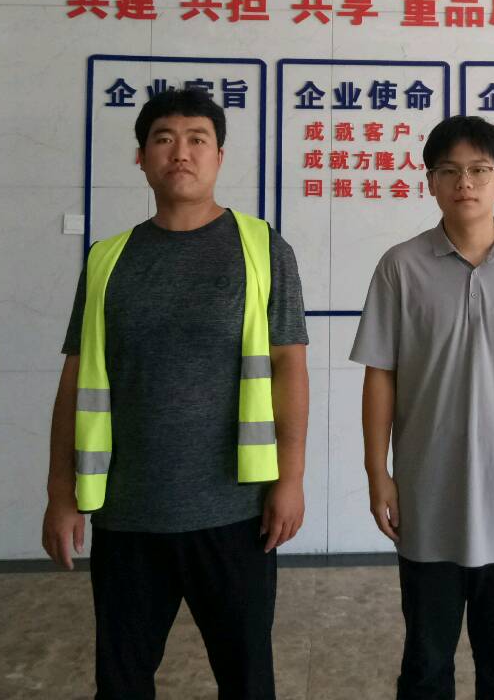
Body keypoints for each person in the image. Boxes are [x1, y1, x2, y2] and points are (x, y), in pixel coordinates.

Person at [40, 87, 310, 700]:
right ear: (141, 158)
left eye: (197, 140)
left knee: (247, 681)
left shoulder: (264, 249)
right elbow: (75, 380)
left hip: (237, 512)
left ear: (219, 156)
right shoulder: (107, 259)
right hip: (127, 512)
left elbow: (289, 369)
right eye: (164, 139)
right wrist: (60, 492)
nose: (180, 152)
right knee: (122, 683)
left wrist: (290, 479)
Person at [351, 114, 494, 700]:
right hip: (426, 493)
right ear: (430, 181)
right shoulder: (401, 266)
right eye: (449, 171)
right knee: (425, 661)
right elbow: (381, 376)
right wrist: (379, 473)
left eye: (480, 170)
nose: (465, 183)